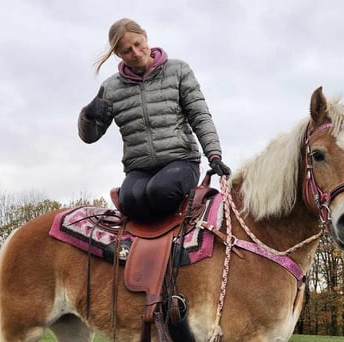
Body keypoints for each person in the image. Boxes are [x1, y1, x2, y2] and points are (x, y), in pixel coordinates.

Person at [78, 18, 231, 222]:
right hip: (140, 168)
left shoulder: (178, 71)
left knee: (161, 191)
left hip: (181, 161)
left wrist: (214, 155)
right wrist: (87, 116)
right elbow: (90, 137)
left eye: (138, 44)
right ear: (118, 55)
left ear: (145, 37)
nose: (136, 53)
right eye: (126, 51)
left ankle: (181, 248)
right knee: (130, 199)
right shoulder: (111, 88)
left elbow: (200, 116)